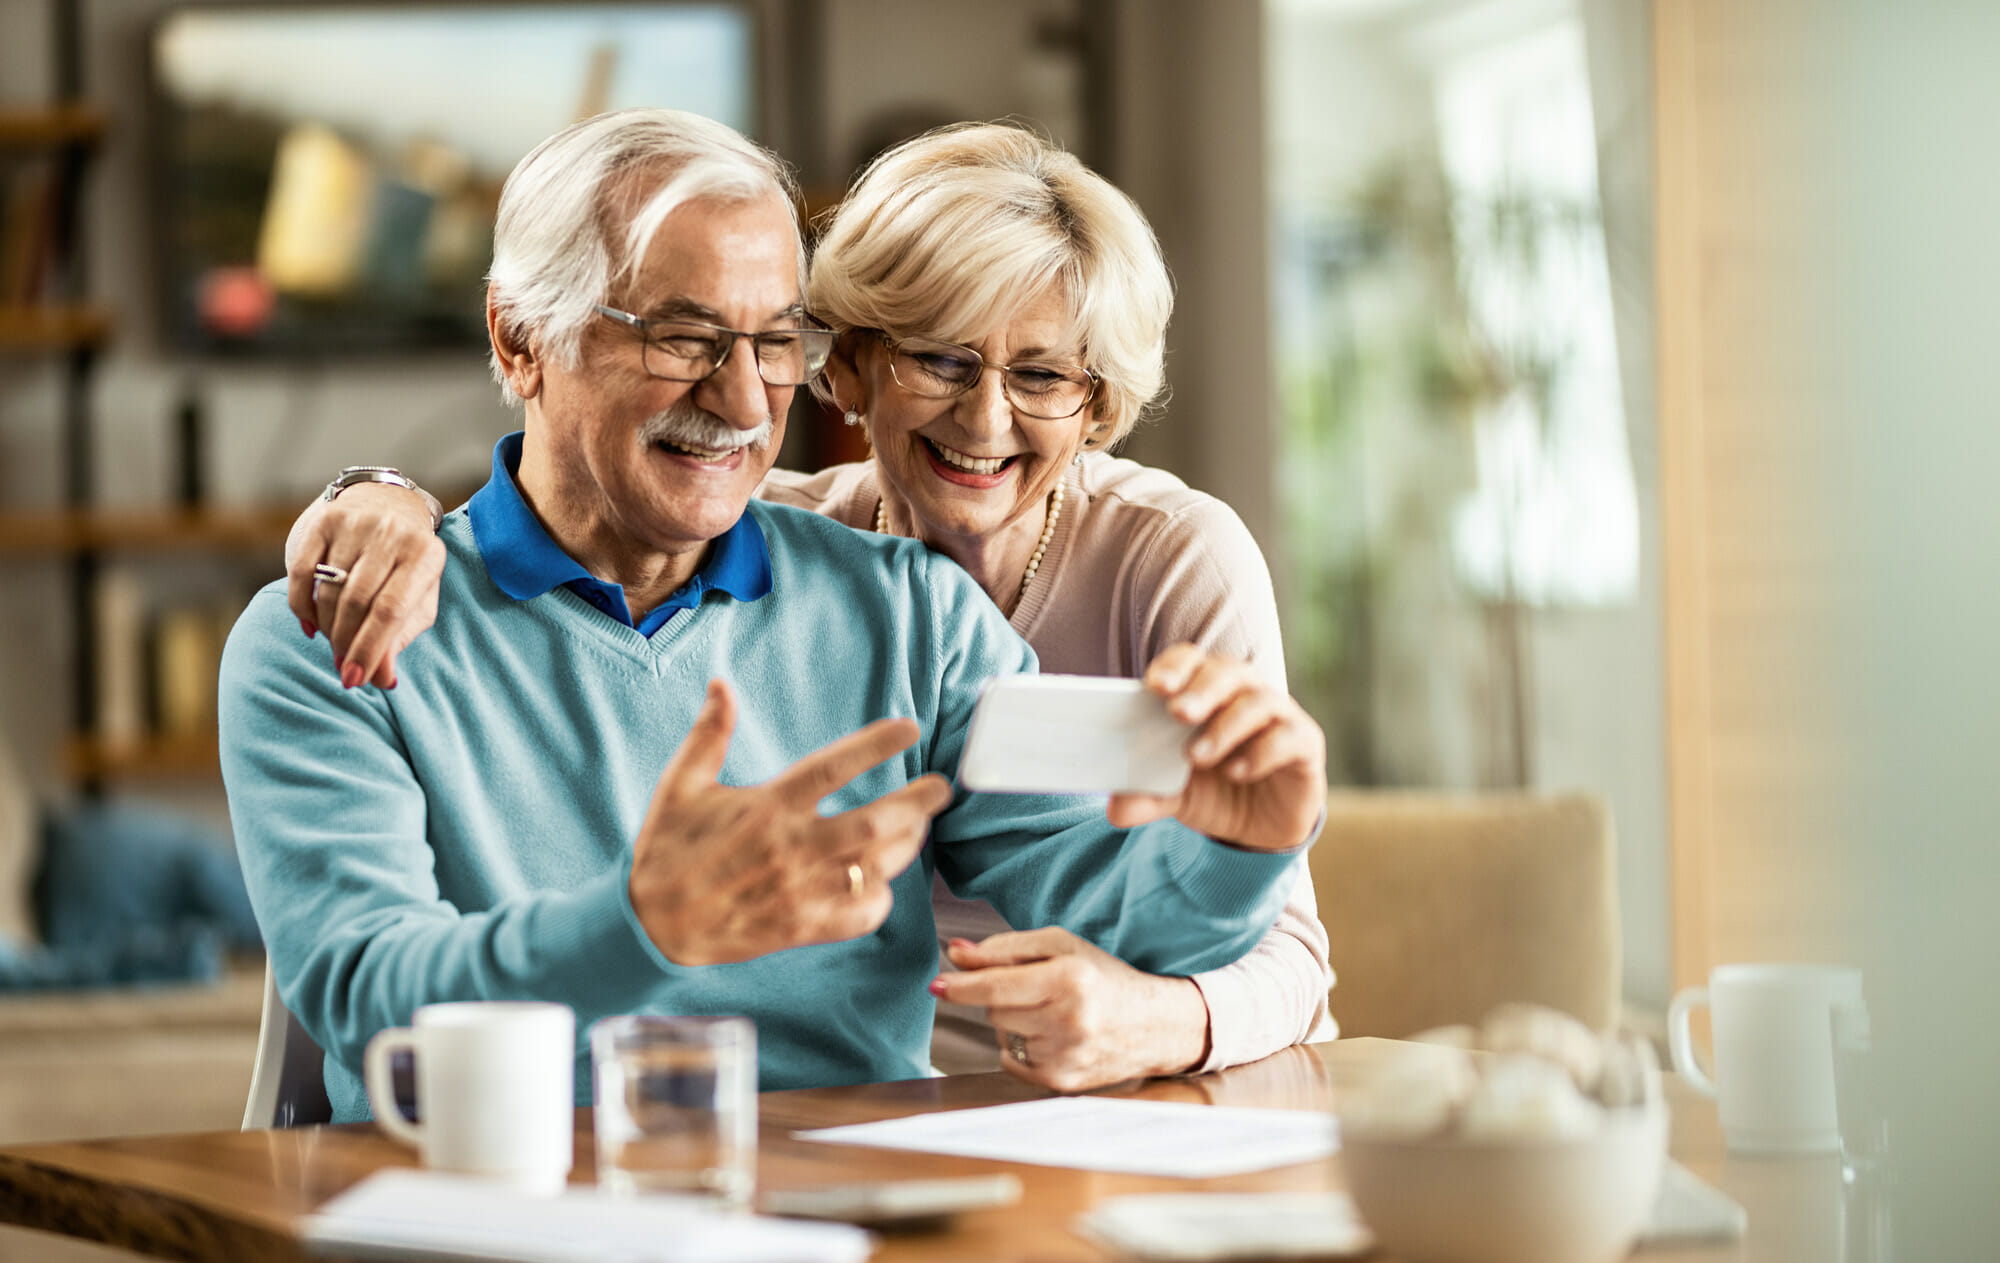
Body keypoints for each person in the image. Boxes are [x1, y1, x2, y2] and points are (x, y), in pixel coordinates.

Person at [220, 108, 1326, 1122]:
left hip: (861, 1231)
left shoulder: (909, 609)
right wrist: (641, 926)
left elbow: (1105, 903)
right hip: (504, 1213)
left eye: (772, 343)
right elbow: (369, 1000)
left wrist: (1235, 849)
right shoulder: (326, 638)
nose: (744, 401)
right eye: (683, 338)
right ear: (519, 342)